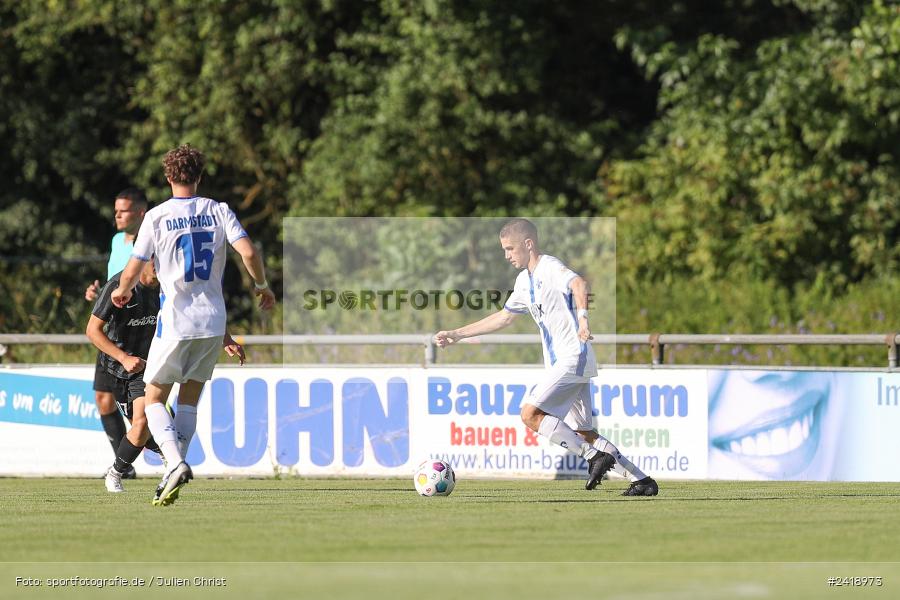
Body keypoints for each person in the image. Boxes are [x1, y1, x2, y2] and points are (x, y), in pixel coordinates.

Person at [434, 218, 658, 496]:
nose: (507, 255)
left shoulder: (549, 267)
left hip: (572, 357)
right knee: (586, 432)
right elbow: (504, 318)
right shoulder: (523, 281)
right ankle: (643, 481)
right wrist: (457, 333)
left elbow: (578, 283)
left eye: (510, 248)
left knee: (529, 414)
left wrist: (583, 321)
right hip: (570, 362)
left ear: (528, 244)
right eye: (504, 250)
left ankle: (593, 457)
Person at [111, 144, 276, 506]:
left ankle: (174, 462)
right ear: (200, 176)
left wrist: (122, 291)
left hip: (175, 323)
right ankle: (173, 471)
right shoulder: (218, 210)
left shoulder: (156, 216)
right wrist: (262, 287)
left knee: (153, 398)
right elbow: (248, 251)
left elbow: (136, 265)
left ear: (169, 177)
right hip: (214, 323)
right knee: (189, 400)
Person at [84, 188, 148, 476]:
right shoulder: (115, 240)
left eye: (123, 210)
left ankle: (168, 455)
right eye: (116, 210)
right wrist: (97, 295)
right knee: (103, 398)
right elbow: (115, 283)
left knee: (142, 413)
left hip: (139, 332)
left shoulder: (150, 243)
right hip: (112, 333)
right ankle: (124, 467)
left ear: (140, 213)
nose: (117, 215)